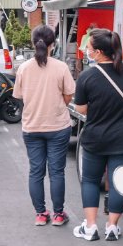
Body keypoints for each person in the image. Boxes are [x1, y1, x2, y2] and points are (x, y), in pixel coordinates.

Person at [72, 29, 123, 241]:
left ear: (98, 52)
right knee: (120, 180)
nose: (86, 50)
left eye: (89, 47)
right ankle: (112, 226)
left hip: (96, 137)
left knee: (91, 180)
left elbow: (81, 109)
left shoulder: (87, 76)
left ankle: (91, 227)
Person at [14, 25, 75, 227]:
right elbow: (68, 95)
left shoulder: (23, 68)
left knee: (36, 171)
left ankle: (40, 214)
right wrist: (56, 105)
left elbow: (20, 96)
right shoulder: (61, 67)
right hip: (58, 126)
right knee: (57, 172)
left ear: (33, 43)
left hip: (32, 126)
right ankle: (58, 215)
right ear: (53, 44)